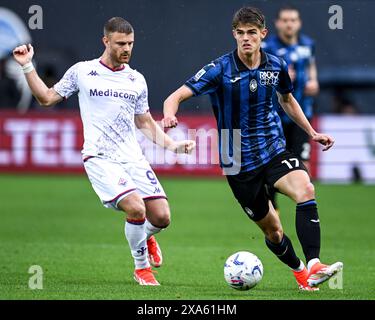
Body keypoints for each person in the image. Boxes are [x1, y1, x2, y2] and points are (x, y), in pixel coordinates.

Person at [163, 7, 342, 290]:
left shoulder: (276, 65)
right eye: (241, 33)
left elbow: (287, 100)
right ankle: (300, 273)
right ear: (234, 34)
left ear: (263, 34)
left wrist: (311, 132)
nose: (246, 38)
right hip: (235, 157)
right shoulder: (219, 69)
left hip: (272, 146)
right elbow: (176, 96)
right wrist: (170, 114)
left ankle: (315, 264)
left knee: (305, 189)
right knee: (273, 231)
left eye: (252, 33)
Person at [13, 17, 195, 286]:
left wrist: (173, 146)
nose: (127, 49)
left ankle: (145, 235)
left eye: (131, 43)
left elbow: (144, 122)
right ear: (106, 41)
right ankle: (142, 269)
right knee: (135, 207)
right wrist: (27, 65)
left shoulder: (136, 79)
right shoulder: (83, 72)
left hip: (132, 156)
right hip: (100, 157)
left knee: (162, 217)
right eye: (121, 43)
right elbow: (46, 98)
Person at [262, 6, 319, 211]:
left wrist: (313, 82)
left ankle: (304, 205)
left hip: (302, 113)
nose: (289, 24)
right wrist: (279, 78)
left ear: (299, 23)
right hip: (274, 117)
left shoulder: (308, 45)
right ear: (277, 23)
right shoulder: (267, 47)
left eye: (293, 20)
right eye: (285, 20)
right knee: (270, 165)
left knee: (304, 163)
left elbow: (312, 70)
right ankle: (272, 207)